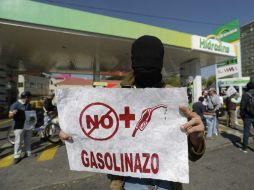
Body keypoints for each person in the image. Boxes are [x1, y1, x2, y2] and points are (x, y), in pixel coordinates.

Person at [60, 35, 205, 190]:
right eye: (142, 59)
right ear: (133, 61)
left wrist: (196, 140)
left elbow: (192, 155)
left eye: (153, 59)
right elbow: (96, 134)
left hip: (167, 184)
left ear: (160, 62)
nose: (147, 64)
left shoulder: (174, 98)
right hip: (127, 184)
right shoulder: (113, 97)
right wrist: (74, 134)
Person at [9, 91, 33, 164]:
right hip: (19, 126)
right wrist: (13, 113)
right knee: (18, 141)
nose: (31, 99)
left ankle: (27, 152)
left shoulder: (28, 104)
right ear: (26, 97)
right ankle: (17, 156)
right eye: (30, 97)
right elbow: (9, 116)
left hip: (28, 125)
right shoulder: (15, 105)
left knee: (28, 140)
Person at [240, 81, 254, 153]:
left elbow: (242, 107)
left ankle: (244, 148)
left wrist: (242, 116)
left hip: (248, 116)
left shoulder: (245, 95)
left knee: (246, 132)